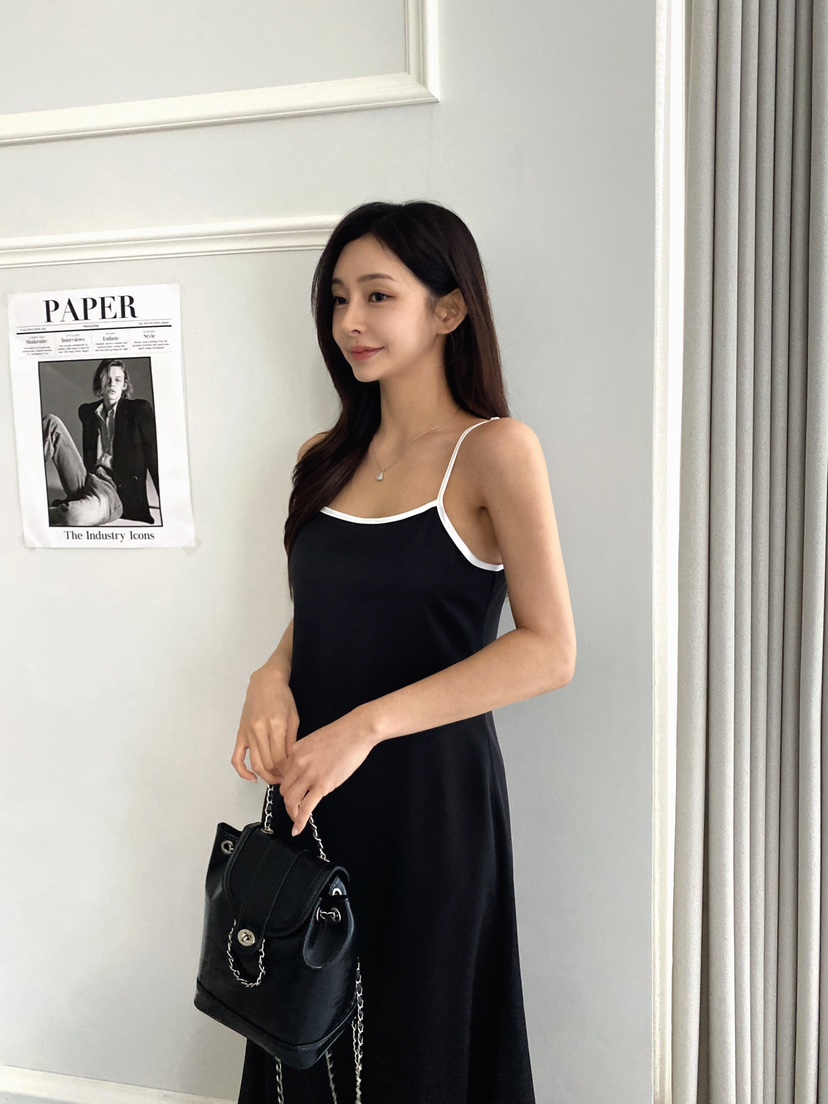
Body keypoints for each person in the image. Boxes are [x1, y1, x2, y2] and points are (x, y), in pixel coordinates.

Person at [231, 200, 577, 1104]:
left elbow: (549, 650)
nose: (350, 320)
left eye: (378, 295)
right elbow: (329, 609)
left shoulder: (496, 451)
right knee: (300, 1035)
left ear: (448, 309)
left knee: (417, 1041)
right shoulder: (324, 455)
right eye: (339, 297)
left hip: (431, 806)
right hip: (314, 792)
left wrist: (366, 727)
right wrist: (270, 675)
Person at [43, 359, 160, 526]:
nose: (112, 384)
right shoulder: (88, 412)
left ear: (124, 385)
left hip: (112, 493)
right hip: (86, 480)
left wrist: (168, 503)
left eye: (118, 380)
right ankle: (27, 485)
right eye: (107, 379)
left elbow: (153, 457)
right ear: (101, 382)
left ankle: (41, 513)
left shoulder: (137, 410)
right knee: (51, 422)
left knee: (72, 516)